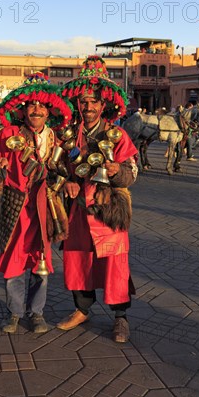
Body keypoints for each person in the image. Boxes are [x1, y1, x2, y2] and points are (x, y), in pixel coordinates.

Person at [56, 55, 139, 343]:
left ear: (103, 105)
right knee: (77, 259)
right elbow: (57, 169)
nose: (88, 107)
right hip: (78, 211)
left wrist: (117, 172)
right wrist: (67, 181)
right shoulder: (68, 137)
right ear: (77, 104)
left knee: (115, 265)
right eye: (83, 102)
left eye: (93, 102)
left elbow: (132, 173)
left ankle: (120, 317)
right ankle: (82, 309)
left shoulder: (117, 136)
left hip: (108, 211)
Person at [0, 73, 73, 334]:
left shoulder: (57, 139)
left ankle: (36, 312)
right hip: (17, 205)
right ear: (23, 109)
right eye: (31, 105)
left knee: (42, 260)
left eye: (41, 105)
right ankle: (14, 312)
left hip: (45, 207)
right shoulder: (9, 134)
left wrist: (62, 182)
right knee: (14, 259)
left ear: (49, 111)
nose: (36, 110)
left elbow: (65, 170)